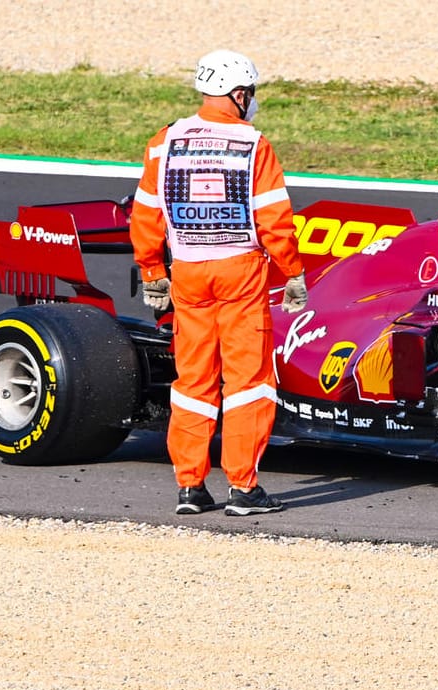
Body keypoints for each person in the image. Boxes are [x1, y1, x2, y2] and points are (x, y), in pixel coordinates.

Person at [130, 49, 309, 517]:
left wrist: (152, 270)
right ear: (239, 93)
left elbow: (145, 213)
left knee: (193, 381)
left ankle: (190, 486)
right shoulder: (253, 144)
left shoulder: (164, 140)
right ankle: (243, 488)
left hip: (186, 272)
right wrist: (292, 271)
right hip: (241, 273)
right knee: (249, 382)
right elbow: (275, 220)